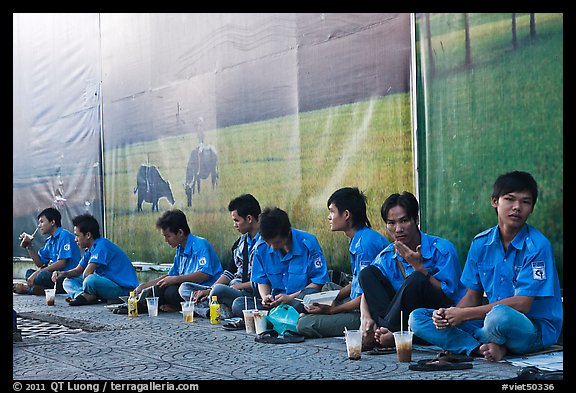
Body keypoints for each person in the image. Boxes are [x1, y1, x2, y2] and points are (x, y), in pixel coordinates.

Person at [409, 171, 563, 362]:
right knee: (418, 318)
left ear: (531, 208)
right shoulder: (481, 244)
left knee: (499, 317)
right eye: (510, 199)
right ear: (495, 202)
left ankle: (480, 343)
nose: (517, 207)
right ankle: (480, 348)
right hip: (488, 322)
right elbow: (472, 296)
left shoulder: (538, 246)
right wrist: (450, 316)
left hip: (532, 328)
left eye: (526, 202)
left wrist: (464, 315)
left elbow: (522, 304)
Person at [358, 191, 466, 349]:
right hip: (399, 317)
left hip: (434, 316)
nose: (398, 229)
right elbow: (367, 291)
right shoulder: (387, 255)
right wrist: (365, 317)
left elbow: (449, 294)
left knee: (416, 279)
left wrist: (420, 268)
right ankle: (388, 333)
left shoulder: (442, 250)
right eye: (391, 223)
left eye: (404, 221)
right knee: (367, 274)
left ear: (416, 220)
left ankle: (391, 335)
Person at [296, 187, 390, 338]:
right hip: (356, 299)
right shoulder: (360, 238)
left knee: (304, 324)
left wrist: (333, 309)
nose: (329, 217)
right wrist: (334, 297)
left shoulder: (365, 245)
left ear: (346, 214)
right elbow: (358, 282)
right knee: (327, 288)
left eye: (332, 212)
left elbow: (367, 295)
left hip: (367, 312)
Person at [244, 207, 330, 314]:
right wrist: (266, 297)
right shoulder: (260, 247)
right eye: (268, 242)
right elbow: (262, 281)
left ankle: (274, 319)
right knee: (239, 304)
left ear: (288, 233)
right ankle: (279, 318)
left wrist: (290, 298)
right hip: (276, 304)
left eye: (276, 242)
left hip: (299, 300)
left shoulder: (308, 243)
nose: (272, 247)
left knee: (309, 295)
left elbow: (318, 282)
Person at [135, 209, 223, 313]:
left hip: (204, 287)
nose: (166, 240)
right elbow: (171, 275)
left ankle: (183, 307)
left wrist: (176, 279)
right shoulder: (180, 249)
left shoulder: (200, 244)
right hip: (182, 285)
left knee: (171, 292)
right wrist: (144, 286)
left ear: (180, 232)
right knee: (156, 291)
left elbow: (204, 274)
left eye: (168, 236)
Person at [192, 194, 261, 318]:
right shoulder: (240, 244)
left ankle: (213, 308)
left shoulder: (266, 243)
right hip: (233, 289)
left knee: (232, 300)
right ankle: (215, 307)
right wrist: (209, 290)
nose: (235, 225)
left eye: (236, 220)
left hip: (252, 292)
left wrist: (235, 287)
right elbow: (229, 272)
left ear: (249, 218)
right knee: (186, 289)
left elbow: (264, 281)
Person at [55, 213, 139, 306]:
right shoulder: (90, 249)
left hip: (122, 288)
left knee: (90, 279)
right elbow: (77, 271)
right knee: (68, 281)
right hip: (106, 285)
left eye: (77, 235)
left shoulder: (101, 245)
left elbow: (87, 274)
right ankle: (83, 296)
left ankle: (85, 296)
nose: (75, 239)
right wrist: (62, 274)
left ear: (88, 235)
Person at [14, 207, 81, 295]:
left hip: (68, 277)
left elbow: (62, 263)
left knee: (40, 276)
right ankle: (41, 289)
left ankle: (31, 289)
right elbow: (40, 263)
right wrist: (29, 246)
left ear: (52, 222)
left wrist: (38, 272)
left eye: (42, 222)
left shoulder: (64, 236)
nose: (39, 225)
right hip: (55, 277)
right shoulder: (50, 241)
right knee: (29, 273)